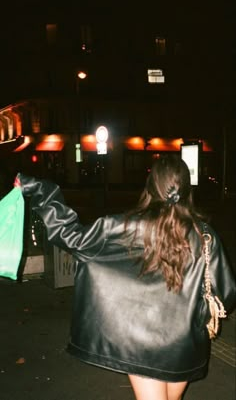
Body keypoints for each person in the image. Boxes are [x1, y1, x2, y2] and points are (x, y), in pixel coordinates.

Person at [14, 154, 236, 400]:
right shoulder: (205, 235)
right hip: (183, 345)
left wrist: (40, 188)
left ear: (150, 186)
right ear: (186, 188)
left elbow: (70, 235)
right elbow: (224, 293)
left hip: (140, 343)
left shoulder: (121, 226)